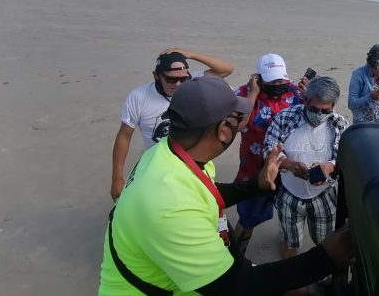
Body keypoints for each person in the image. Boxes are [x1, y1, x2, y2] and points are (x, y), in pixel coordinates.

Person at [99, 76, 354, 295]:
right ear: (223, 130)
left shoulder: (167, 154)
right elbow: (234, 286)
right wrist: (324, 258)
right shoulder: (170, 206)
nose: (242, 123)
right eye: (237, 118)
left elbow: (208, 193)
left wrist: (257, 185)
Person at [110, 48, 234, 201]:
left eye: (183, 79)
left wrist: (191, 54)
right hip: (159, 167)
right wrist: (117, 177)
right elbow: (124, 136)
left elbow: (227, 69)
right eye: (171, 79)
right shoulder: (139, 97)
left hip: (196, 163)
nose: (178, 84)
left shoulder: (195, 85)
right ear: (156, 76)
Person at [263, 76, 348, 261]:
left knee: (326, 243)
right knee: (288, 241)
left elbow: (346, 158)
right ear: (305, 100)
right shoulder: (286, 117)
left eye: (325, 110)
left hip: (324, 195)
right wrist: (289, 164)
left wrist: (329, 166)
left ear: (333, 105)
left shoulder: (339, 124)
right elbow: (269, 147)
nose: (318, 115)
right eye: (313, 108)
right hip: (289, 194)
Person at [232, 53, 303, 256]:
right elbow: (237, 125)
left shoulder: (294, 93)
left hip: (287, 167)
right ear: (258, 78)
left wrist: (308, 96)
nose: (279, 83)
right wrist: (253, 95)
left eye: (281, 79)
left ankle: (286, 246)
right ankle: (236, 255)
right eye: (273, 80)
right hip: (255, 167)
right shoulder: (244, 94)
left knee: (288, 213)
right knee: (249, 215)